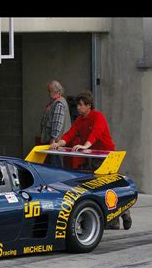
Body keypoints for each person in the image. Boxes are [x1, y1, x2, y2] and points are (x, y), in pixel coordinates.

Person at [50, 91, 131, 230]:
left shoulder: (98, 117)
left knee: (111, 187)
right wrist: (59, 143)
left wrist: (85, 145)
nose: (78, 108)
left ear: (88, 106)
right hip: (93, 156)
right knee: (99, 189)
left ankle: (125, 213)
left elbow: (96, 133)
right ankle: (114, 221)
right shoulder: (80, 120)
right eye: (77, 105)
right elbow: (70, 133)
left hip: (108, 157)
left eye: (81, 105)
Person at [39, 81, 72, 166]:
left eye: (49, 91)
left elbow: (57, 123)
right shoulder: (56, 102)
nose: (49, 93)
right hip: (56, 142)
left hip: (56, 143)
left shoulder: (59, 104)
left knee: (56, 165)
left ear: (55, 91)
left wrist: (53, 139)